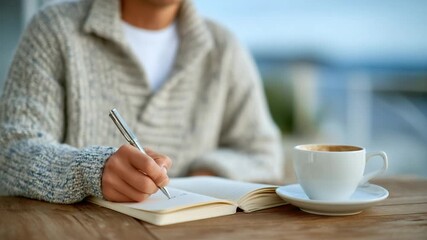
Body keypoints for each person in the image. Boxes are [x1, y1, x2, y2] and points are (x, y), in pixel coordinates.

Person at [0, 0, 283, 203]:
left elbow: (265, 154)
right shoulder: (55, 30)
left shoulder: (223, 48)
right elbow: (10, 151)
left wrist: (207, 172)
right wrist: (91, 171)